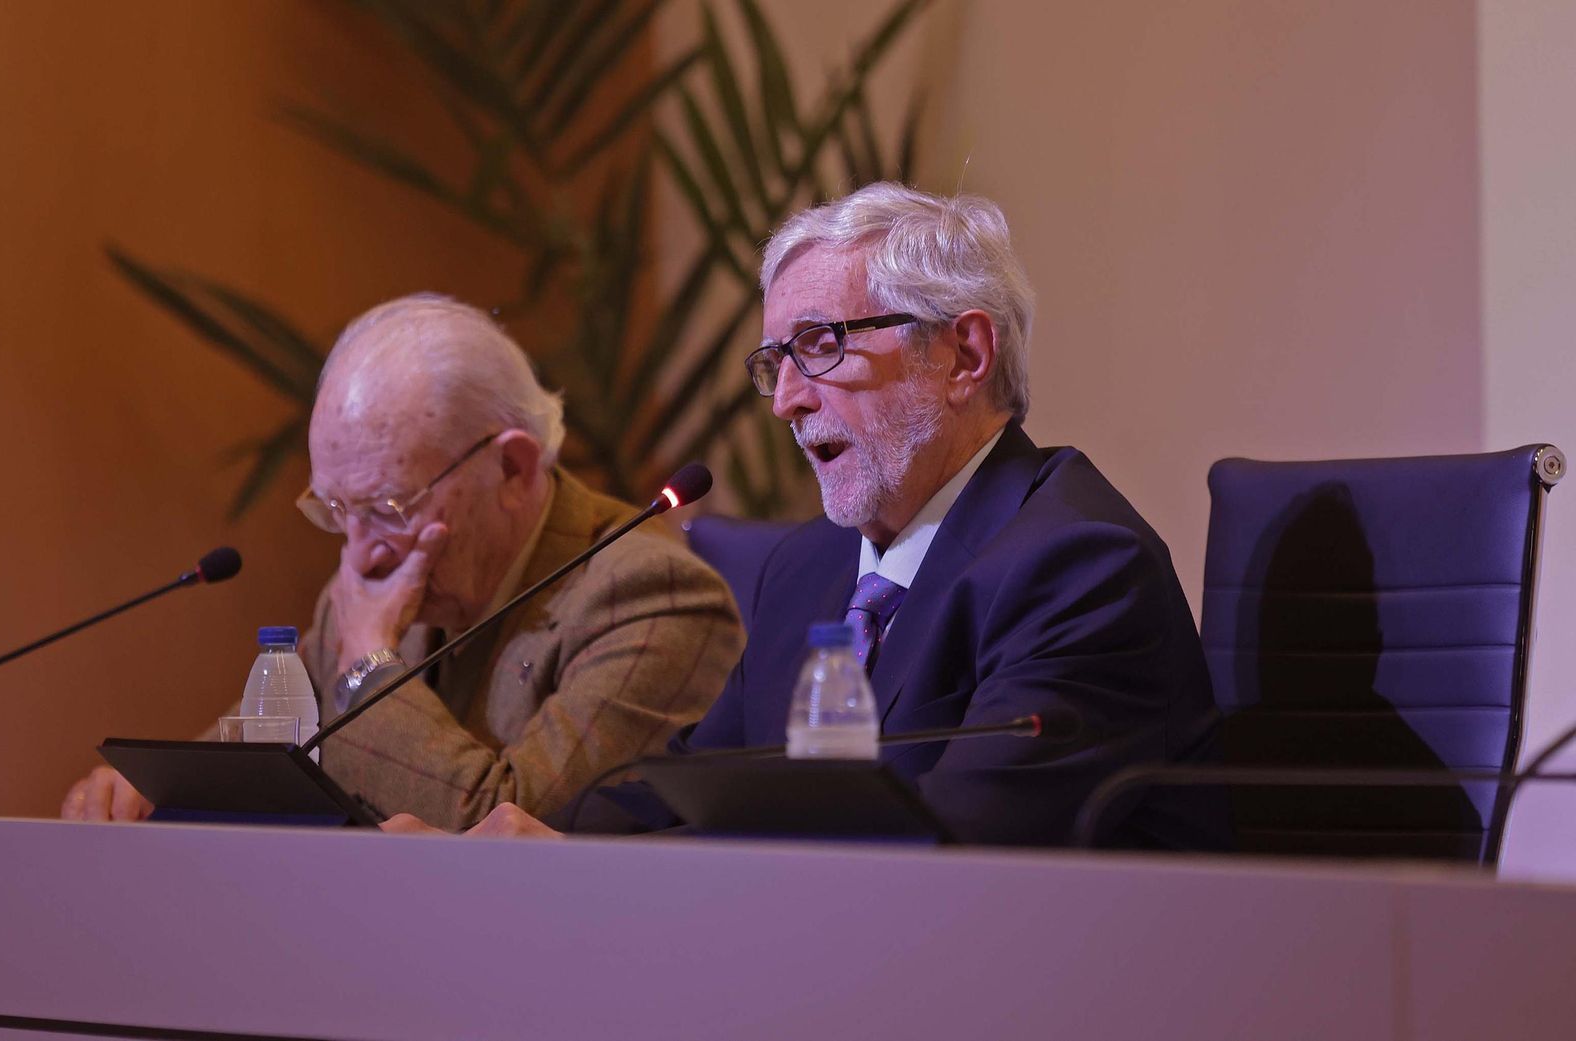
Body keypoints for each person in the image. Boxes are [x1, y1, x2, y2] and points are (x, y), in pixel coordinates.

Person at [387, 182, 1224, 848]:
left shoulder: (1078, 568)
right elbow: (682, 788)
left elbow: (953, 848)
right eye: (773, 362)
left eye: (821, 346)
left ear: (965, 356)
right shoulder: (809, 570)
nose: (786, 400)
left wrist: (587, 871)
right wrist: (507, 848)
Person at [62, 294, 744, 828]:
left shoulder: (651, 594)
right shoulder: (368, 585)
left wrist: (366, 665)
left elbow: (509, 833)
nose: (358, 551)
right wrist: (151, 793)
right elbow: (264, 753)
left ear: (512, 467)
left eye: (390, 506)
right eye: (333, 508)